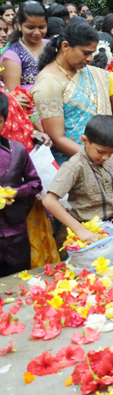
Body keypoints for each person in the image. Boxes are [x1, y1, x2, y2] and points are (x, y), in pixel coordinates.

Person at [34, 23, 113, 165]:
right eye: (86, 53)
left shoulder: (91, 73)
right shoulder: (49, 82)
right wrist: (98, 158)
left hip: (101, 159)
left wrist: (110, 156)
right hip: (71, 165)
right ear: (65, 47)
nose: (90, 59)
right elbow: (57, 138)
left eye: (92, 53)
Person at [43, 115, 113, 251]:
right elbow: (49, 201)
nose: (105, 157)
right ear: (84, 141)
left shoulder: (110, 161)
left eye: (111, 152)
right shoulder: (74, 167)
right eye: (101, 151)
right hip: (86, 232)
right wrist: (80, 230)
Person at [0, 92, 43, 276]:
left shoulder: (17, 150)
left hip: (15, 233)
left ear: (3, 121)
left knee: (19, 283)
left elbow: (35, 184)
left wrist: (16, 192)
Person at [2, 1, 48, 92]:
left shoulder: (54, 46)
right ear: (19, 25)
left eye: (42, 27)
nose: (37, 32)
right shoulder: (12, 55)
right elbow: (15, 96)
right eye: (30, 28)